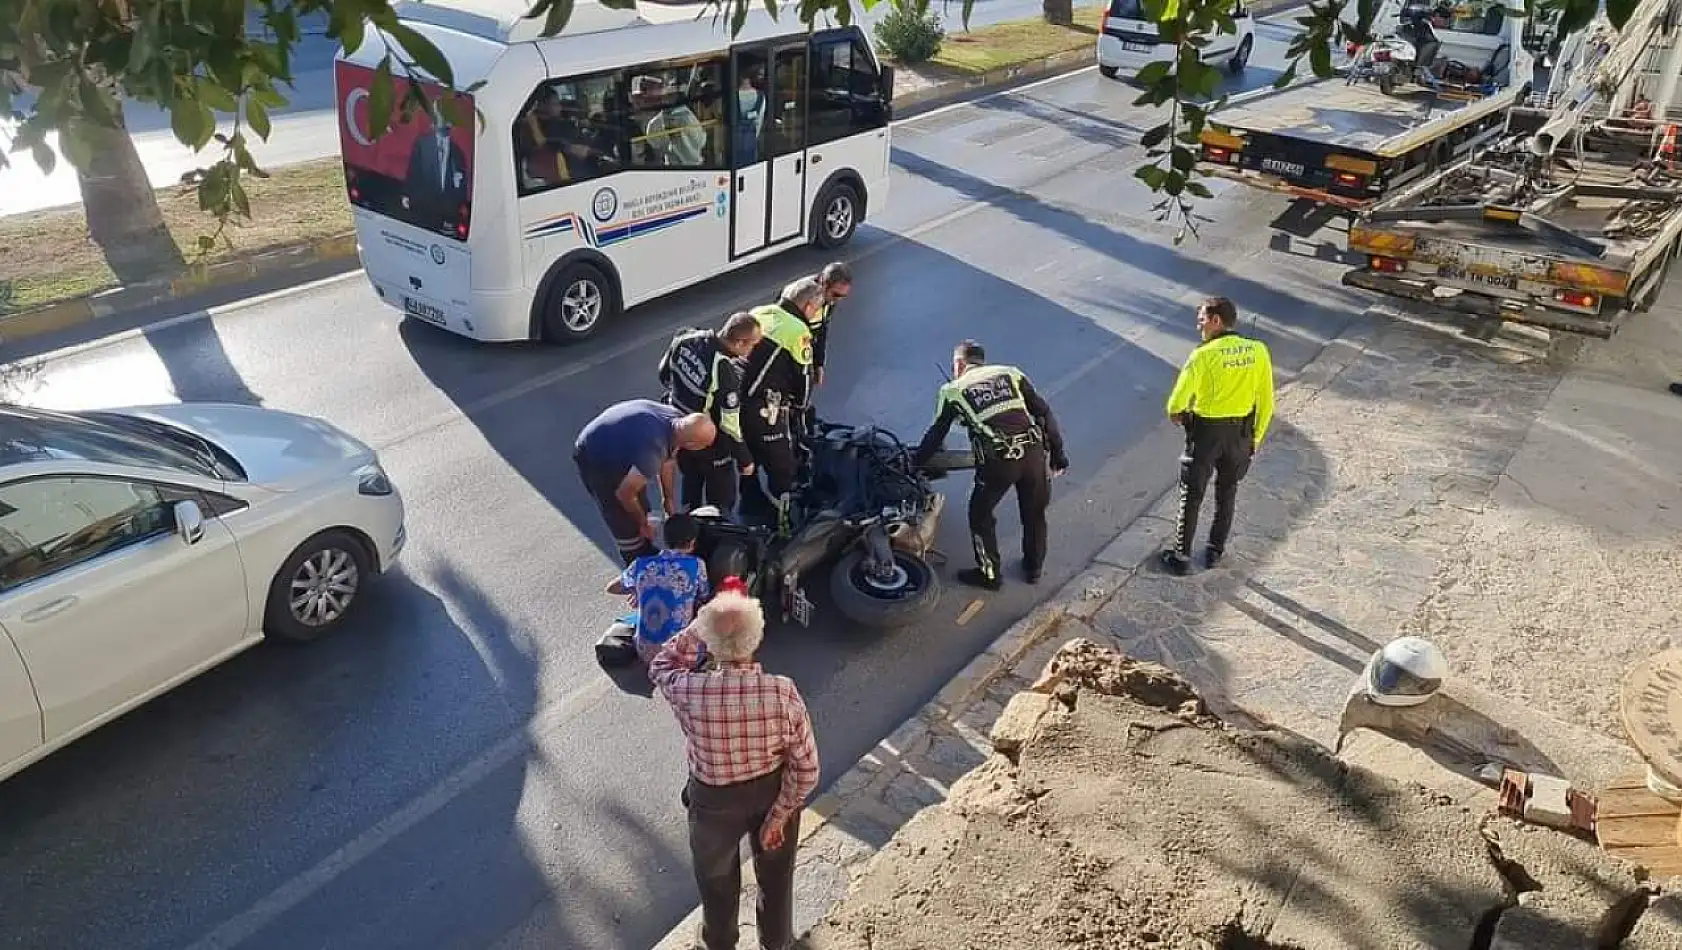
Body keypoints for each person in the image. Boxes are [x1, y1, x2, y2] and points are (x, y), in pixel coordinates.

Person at [649, 591, 819, 950]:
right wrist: (779, 814)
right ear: (756, 638)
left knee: (716, 880)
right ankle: (776, 943)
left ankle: (720, 942)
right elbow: (806, 768)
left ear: (710, 643)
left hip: (712, 803)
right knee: (776, 877)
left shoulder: (691, 691)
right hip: (771, 792)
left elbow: (660, 665)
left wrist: (698, 628)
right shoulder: (782, 693)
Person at [912, 340, 1069, 591]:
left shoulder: (952, 390)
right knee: (1034, 514)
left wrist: (915, 464)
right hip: (1033, 454)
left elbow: (936, 435)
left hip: (999, 461)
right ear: (982, 361)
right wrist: (1058, 455)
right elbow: (1044, 413)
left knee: (980, 514)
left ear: (959, 363)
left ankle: (990, 574)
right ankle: (1034, 568)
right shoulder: (1011, 373)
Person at [1159, 296, 1276, 576]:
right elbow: (1267, 402)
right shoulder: (1258, 351)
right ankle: (1214, 550)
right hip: (1241, 435)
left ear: (1216, 320)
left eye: (1201, 318)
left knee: (1192, 493)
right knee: (1227, 493)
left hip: (1206, 434)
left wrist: (1181, 417)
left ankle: (1181, 555)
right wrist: (1254, 440)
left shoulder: (1202, 355)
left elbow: (1175, 405)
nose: (1198, 324)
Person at [574, 399, 716, 565]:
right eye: (703, 445)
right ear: (691, 444)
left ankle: (646, 547)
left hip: (620, 439)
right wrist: (642, 523)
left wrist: (667, 500)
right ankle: (636, 565)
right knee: (624, 517)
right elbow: (625, 493)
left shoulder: (676, 420)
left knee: (640, 506)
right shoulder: (652, 451)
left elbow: (668, 460)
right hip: (597, 456)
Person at [658, 313, 762, 513]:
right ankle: (716, 536)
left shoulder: (685, 337)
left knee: (691, 483)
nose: (752, 350)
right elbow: (729, 425)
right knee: (722, 500)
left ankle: (690, 533)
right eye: (752, 345)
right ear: (740, 343)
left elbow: (664, 374)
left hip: (678, 431)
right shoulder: (724, 370)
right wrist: (745, 460)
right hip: (710, 444)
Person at [740, 278, 825, 511]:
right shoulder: (799, 331)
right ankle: (784, 519)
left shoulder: (760, 311)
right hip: (764, 407)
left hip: (735, 399)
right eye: (816, 310)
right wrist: (801, 408)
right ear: (808, 306)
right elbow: (804, 378)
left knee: (748, 457)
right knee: (782, 468)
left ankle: (750, 502)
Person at [606, 513, 710, 664]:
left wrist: (638, 589)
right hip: (682, 654)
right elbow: (704, 596)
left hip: (645, 652)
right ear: (692, 542)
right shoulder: (696, 565)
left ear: (666, 541)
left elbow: (611, 588)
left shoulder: (641, 564)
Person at [808, 262, 853, 389]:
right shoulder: (803, 296)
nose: (838, 300)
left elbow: (822, 330)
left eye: (843, 296)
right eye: (836, 295)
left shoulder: (829, 300)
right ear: (824, 284)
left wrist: (819, 364)